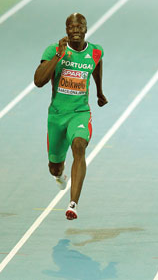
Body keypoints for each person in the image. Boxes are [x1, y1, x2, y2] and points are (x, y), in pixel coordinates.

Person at [34, 13, 107, 220]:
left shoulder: (95, 51)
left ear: (86, 28)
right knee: (54, 167)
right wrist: (59, 55)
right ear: (66, 30)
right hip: (57, 116)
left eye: (79, 26)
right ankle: (59, 174)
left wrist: (100, 93)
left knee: (79, 146)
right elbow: (38, 81)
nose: (75, 30)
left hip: (80, 113)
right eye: (71, 27)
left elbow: (97, 65)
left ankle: (73, 203)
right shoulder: (54, 50)